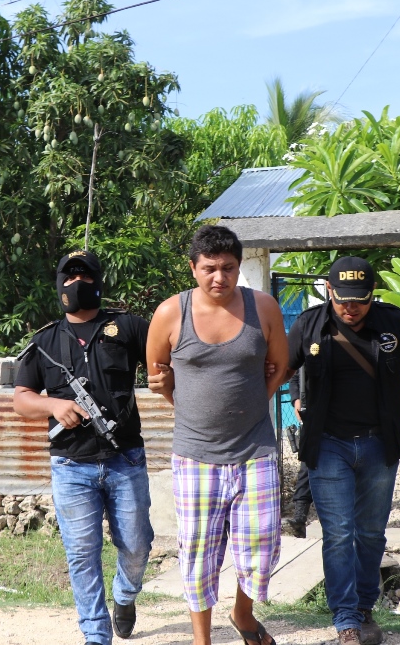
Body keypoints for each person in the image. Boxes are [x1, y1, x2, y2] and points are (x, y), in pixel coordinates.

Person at [286, 256, 400, 645]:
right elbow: (279, 369)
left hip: (380, 445)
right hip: (327, 445)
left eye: (360, 299)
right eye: (343, 299)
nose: (351, 308)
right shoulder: (309, 324)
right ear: (329, 290)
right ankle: (346, 619)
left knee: (369, 532)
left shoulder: (393, 323)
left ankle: (364, 608)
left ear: (372, 294)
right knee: (338, 532)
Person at [13, 249, 171, 645]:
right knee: (82, 553)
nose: (76, 282)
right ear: (59, 284)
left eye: (84, 275)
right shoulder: (45, 341)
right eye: (69, 276)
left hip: (125, 459)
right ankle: (96, 635)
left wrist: (166, 377)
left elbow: (166, 360)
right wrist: (53, 405)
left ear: (98, 281)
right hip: (71, 465)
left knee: (137, 545)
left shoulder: (128, 327)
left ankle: (125, 596)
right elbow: (21, 399)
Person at [146, 225, 289, 645]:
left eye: (228, 268)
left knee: (262, 544)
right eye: (209, 268)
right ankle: (201, 639)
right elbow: (157, 374)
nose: (219, 277)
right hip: (195, 454)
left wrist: (254, 403)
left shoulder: (263, 308)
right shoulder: (170, 313)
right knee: (198, 551)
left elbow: (279, 366)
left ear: (239, 267)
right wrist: (187, 406)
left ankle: (243, 613)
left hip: (255, 447)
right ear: (193, 268)